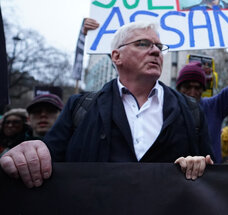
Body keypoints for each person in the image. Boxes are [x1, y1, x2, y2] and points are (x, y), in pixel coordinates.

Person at [0, 22, 213, 188]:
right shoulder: (79, 107)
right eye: (143, 44)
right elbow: (48, 159)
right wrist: (30, 153)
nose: (156, 51)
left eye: (159, 46)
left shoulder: (191, 110)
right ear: (116, 56)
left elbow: (211, 175)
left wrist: (199, 163)